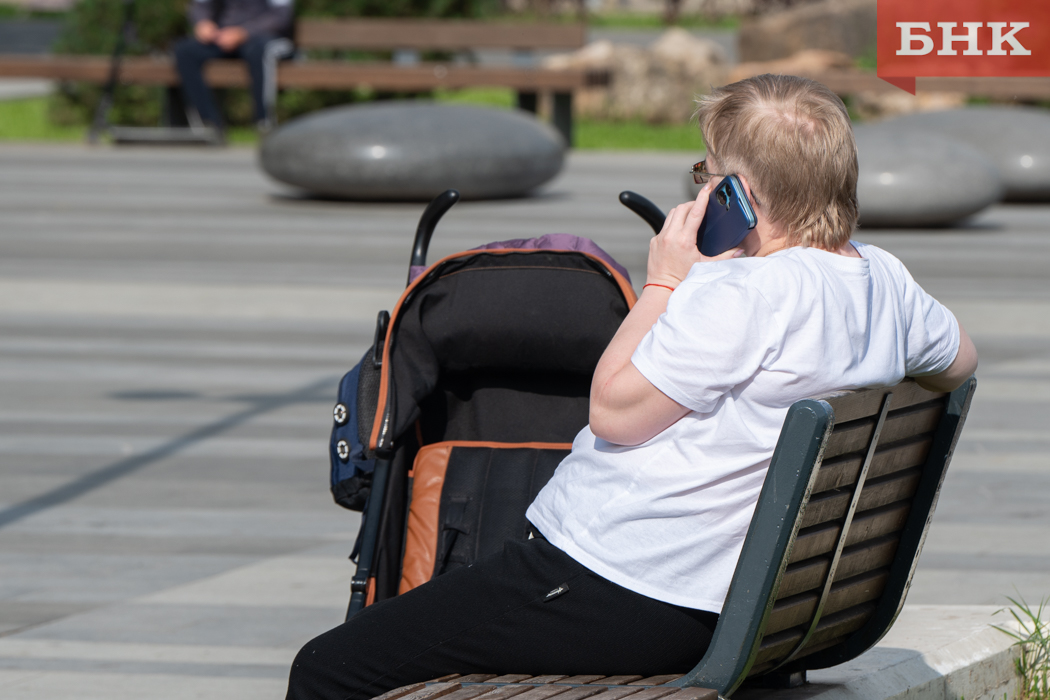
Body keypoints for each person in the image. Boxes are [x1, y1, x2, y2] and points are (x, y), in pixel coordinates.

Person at [285, 74, 978, 700]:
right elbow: (958, 361)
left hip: (630, 588)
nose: (698, 188)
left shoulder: (741, 293)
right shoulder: (883, 278)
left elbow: (614, 412)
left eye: (707, 173)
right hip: (768, 599)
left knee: (328, 669)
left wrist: (665, 280)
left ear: (741, 197)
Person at [173, 0, 295, 134]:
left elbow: (281, 16)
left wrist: (243, 32)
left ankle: (264, 122)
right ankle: (209, 125)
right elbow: (201, 6)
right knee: (184, 52)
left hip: (265, 38)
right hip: (223, 38)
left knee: (260, 52)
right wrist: (203, 22)